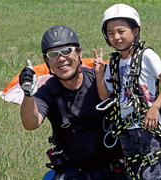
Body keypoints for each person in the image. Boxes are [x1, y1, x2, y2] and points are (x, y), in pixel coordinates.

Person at [19, 25, 125, 180]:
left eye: (67, 51)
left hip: (112, 169)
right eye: (53, 54)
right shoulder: (48, 91)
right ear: (46, 61)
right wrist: (28, 93)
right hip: (73, 171)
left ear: (79, 53)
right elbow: (31, 123)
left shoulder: (100, 80)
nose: (61, 59)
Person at [93, 4, 161, 180]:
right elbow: (104, 96)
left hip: (149, 128)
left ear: (135, 31)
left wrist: (154, 108)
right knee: (133, 173)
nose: (116, 37)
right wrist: (99, 74)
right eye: (110, 33)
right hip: (126, 130)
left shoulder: (146, 56)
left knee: (152, 173)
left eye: (121, 31)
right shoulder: (113, 63)